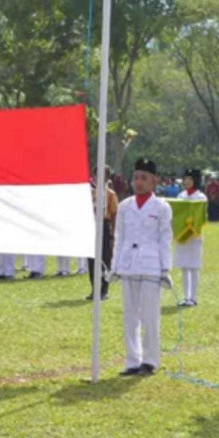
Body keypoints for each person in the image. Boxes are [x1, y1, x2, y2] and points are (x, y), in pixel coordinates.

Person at [110, 158, 173, 377]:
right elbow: (119, 237)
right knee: (130, 315)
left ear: (154, 181)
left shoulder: (161, 206)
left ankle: (150, 360)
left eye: (144, 178)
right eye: (136, 177)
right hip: (128, 264)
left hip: (150, 265)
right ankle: (132, 360)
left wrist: (165, 269)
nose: (139, 182)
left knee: (149, 315)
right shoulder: (125, 205)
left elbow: (165, 238)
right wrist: (115, 267)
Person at [175, 169, 207, 307]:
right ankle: (185, 296)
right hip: (182, 234)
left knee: (194, 267)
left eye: (190, 179)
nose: (187, 181)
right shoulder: (180, 196)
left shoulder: (200, 197)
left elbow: (201, 216)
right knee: (184, 266)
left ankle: (193, 297)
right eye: (185, 179)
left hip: (194, 235)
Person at [86, 165, 118, 301]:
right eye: (96, 174)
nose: (99, 177)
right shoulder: (89, 192)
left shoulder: (110, 194)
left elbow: (114, 214)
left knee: (105, 258)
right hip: (91, 226)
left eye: (102, 175)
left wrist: (113, 232)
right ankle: (94, 288)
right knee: (92, 259)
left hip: (104, 226)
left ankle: (104, 289)